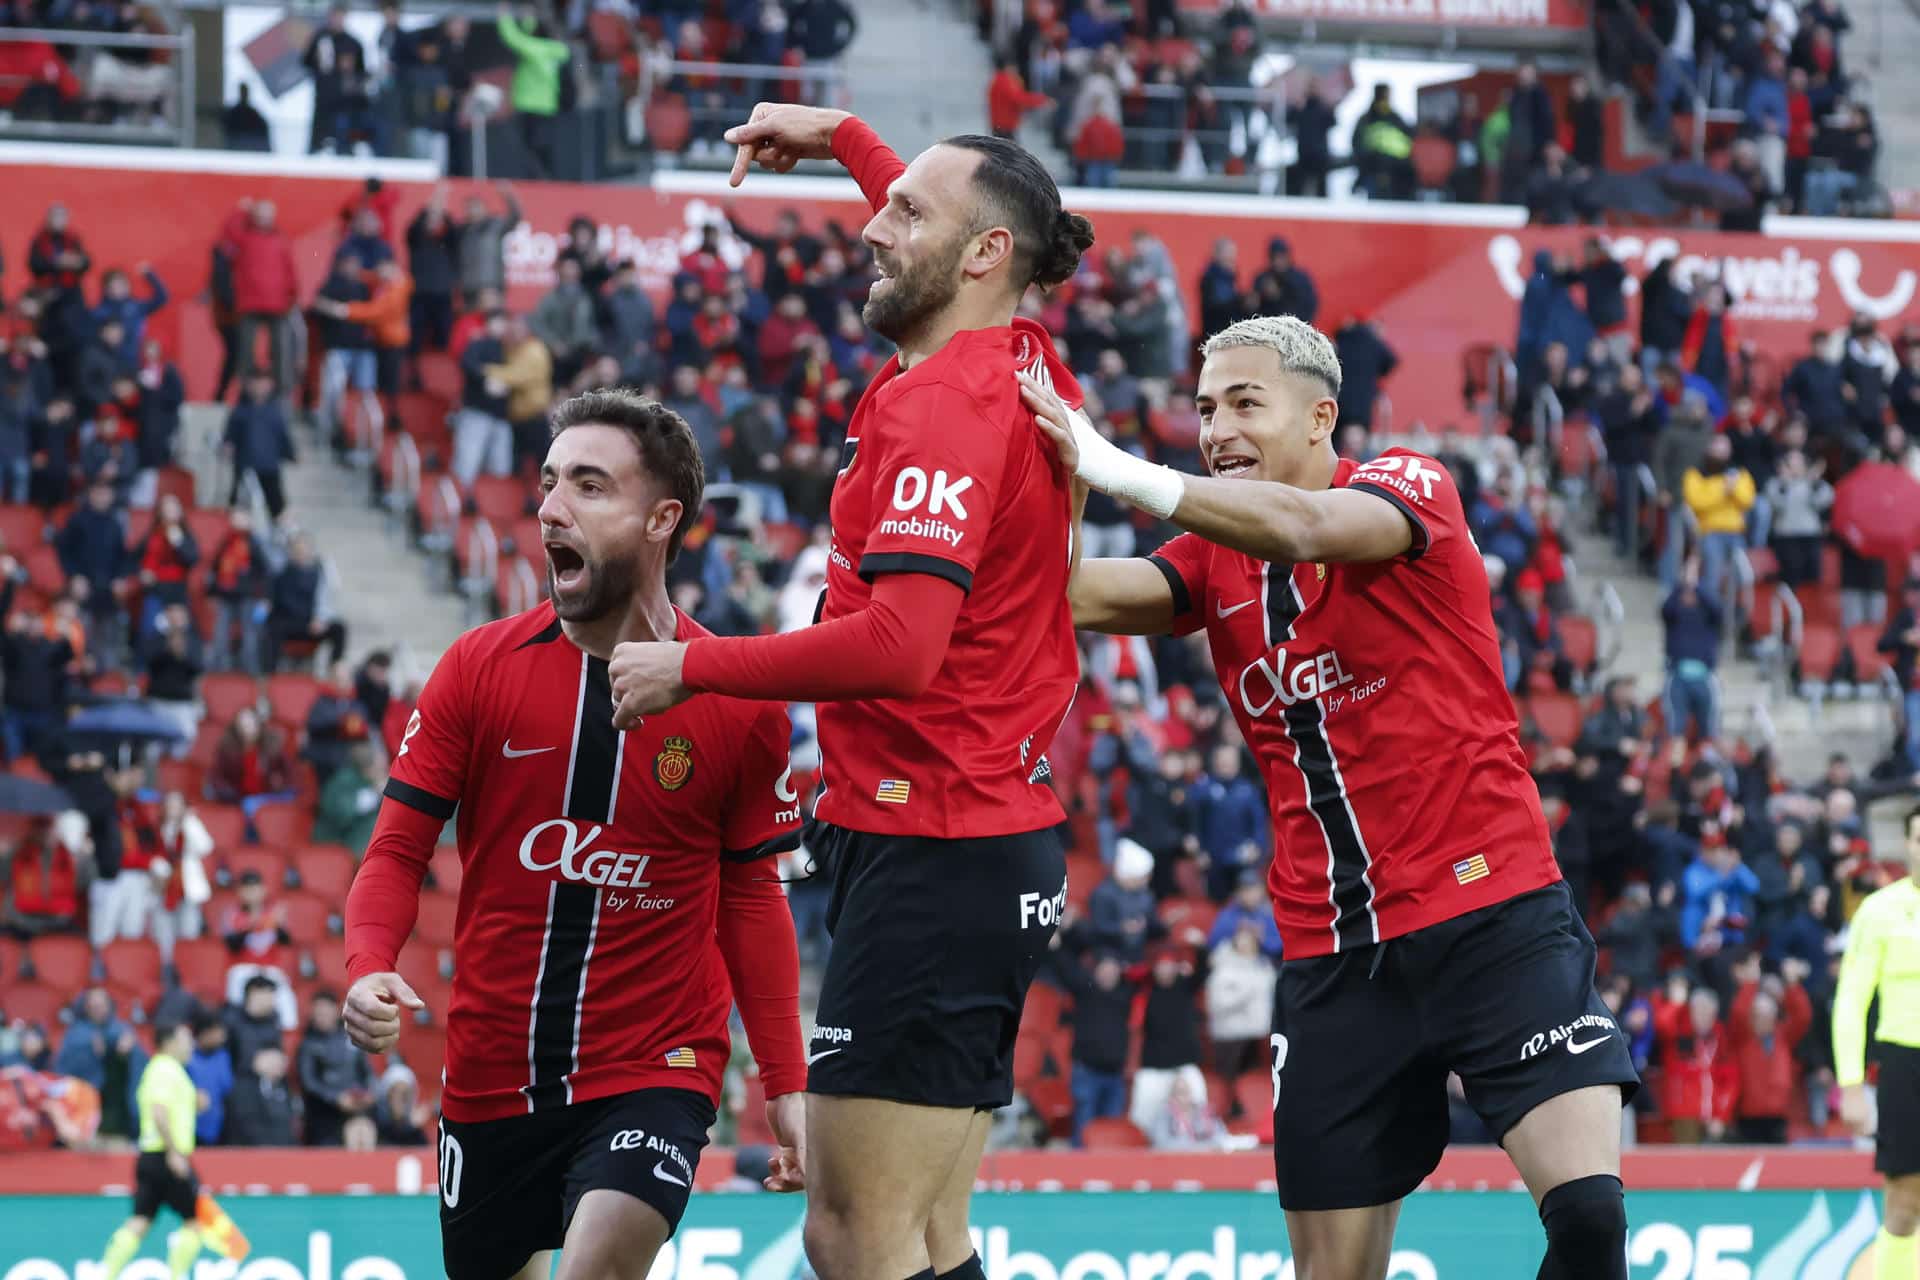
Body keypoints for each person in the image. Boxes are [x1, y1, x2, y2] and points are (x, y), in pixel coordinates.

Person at [1024, 313, 1637, 1280]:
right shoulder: (1211, 560)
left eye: (1245, 403)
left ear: (1321, 418)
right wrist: (1038, 487)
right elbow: (1064, 595)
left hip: (1492, 913)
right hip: (1333, 955)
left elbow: (1307, 527)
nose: (1218, 428)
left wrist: (1113, 466)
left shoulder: (1408, 486)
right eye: (1205, 409)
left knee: (1591, 1221)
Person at [604, 102, 1096, 1280]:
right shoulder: (1017, 355)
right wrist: (843, 137)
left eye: (904, 213)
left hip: (937, 852)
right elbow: (964, 218)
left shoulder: (942, 404)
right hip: (985, 840)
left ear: (985, 256)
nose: (875, 227)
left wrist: (691, 667)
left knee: (851, 1232)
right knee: (927, 1234)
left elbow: (900, 646)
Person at [343, 388, 807, 1280]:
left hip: (655, 1064)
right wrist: (368, 964)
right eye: (549, 483)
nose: (552, 507)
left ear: (661, 519)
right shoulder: (478, 670)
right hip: (491, 1076)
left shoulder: (736, 702)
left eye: (590, 486)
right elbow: (397, 848)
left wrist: (785, 1083)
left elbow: (752, 893)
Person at [1834, 806, 1920, 1280]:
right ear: (1907, 845)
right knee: (1905, 1202)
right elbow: (1851, 997)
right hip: (1905, 1062)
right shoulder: (1879, 910)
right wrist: (1850, 1083)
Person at [98, 1020, 215, 1280]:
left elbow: (168, 1107)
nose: (191, 1044)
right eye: (186, 1039)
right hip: (167, 1155)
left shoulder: (164, 1070)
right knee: (196, 1220)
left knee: (141, 1220)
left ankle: (106, 1273)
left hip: (151, 1155)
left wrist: (194, 1103)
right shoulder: (164, 1069)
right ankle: (177, 1275)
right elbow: (159, 1112)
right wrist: (174, 1152)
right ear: (169, 1042)